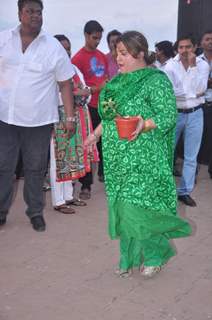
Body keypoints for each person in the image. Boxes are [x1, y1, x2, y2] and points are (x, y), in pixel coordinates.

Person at [85, 31, 192, 278]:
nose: (118, 58)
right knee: (124, 207)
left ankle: (155, 255)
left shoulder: (156, 80)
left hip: (145, 157)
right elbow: (110, 118)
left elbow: (167, 116)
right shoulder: (115, 83)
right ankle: (129, 256)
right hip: (118, 159)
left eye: (124, 53)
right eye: (116, 53)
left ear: (140, 53)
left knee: (141, 207)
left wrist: (144, 124)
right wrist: (95, 134)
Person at [0, 0, 75, 231]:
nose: (35, 16)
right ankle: (1, 212)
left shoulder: (53, 47)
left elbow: (65, 84)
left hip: (38, 122)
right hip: (5, 118)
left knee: (35, 169)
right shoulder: (3, 39)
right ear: (19, 13)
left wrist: (70, 118)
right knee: (3, 167)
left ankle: (35, 212)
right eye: (30, 11)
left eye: (39, 12)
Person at [50, 34, 99, 214]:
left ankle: (69, 195)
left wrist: (83, 92)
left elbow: (85, 90)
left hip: (77, 115)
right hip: (59, 116)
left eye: (69, 48)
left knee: (72, 159)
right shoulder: (51, 70)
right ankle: (58, 200)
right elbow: (60, 95)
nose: (67, 51)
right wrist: (81, 92)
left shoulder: (74, 68)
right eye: (63, 48)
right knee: (58, 159)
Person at [164, 36, 209, 207]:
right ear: (177, 49)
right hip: (175, 113)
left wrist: (193, 67)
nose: (184, 51)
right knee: (167, 153)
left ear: (195, 47)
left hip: (196, 113)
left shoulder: (202, 65)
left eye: (188, 47)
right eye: (181, 47)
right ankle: (165, 190)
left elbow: (201, 89)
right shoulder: (170, 66)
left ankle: (184, 191)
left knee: (191, 156)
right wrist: (192, 93)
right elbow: (171, 92)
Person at [72, 20, 108, 200]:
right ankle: (85, 185)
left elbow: (106, 79)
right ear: (86, 35)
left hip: (105, 107)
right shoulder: (77, 59)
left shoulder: (102, 56)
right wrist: (97, 89)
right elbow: (76, 89)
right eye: (95, 38)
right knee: (88, 145)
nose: (97, 41)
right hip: (87, 109)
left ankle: (106, 176)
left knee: (106, 145)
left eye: (100, 38)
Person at [198, 30, 212, 178]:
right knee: (197, 140)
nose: (210, 42)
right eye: (207, 39)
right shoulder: (195, 61)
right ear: (201, 43)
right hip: (201, 105)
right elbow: (194, 84)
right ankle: (193, 171)